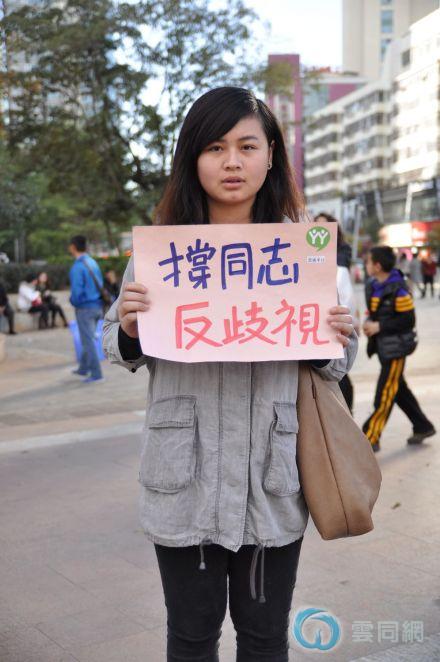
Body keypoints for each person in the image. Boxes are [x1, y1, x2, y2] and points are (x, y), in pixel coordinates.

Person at [102, 87, 357, 662]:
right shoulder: (162, 254)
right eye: (215, 148)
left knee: (265, 639)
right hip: (183, 481)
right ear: (193, 159)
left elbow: (339, 363)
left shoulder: (302, 255)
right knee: (191, 638)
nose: (232, 162)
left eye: (247, 146)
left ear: (271, 156)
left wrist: (334, 336)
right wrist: (131, 327)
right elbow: (116, 347)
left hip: (272, 480)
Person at [362, 245, 435, 452]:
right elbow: (375, 312)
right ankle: (423, 426)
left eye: (368, 262)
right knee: (398, 389)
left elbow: (408, 320)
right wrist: (369, 323)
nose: (366, 265)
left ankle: (370, 436)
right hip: (383, 346)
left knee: (385, 393)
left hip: (396, 349)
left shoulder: (399, 288)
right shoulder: (373, 285)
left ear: (377, 266)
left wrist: (379, 326)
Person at [314, 212, 359, 412]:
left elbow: (347, 300)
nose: (318, 233)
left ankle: (346, 412)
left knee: (339, 377)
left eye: (324, 228)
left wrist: (349, 322)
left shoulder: (339, 266)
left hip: (330, 330)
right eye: (315, 227)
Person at [68, 235, 104, 383]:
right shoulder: (92, 262)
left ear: (73, 247)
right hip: (97, 306)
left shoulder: (77, 267)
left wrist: (72, 301)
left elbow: (76, 293)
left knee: (87, 341)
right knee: (87, 338)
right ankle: (83, 368)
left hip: (84, 309)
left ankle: (96, 374)